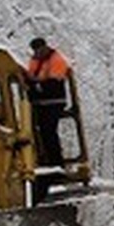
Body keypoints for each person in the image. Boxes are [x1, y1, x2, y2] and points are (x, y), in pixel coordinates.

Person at [26, 37, 72, 166]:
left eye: (38, 49)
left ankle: (56, 162)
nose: (36, 52)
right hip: (41, 102)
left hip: (53, 101)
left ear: (45, 47)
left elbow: (54, 82)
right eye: (34, 50)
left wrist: (37, 86)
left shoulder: (56, 60)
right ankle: (45, 159)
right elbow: (31, 77)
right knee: (39, 132)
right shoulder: (35, 60)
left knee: (49, 131)